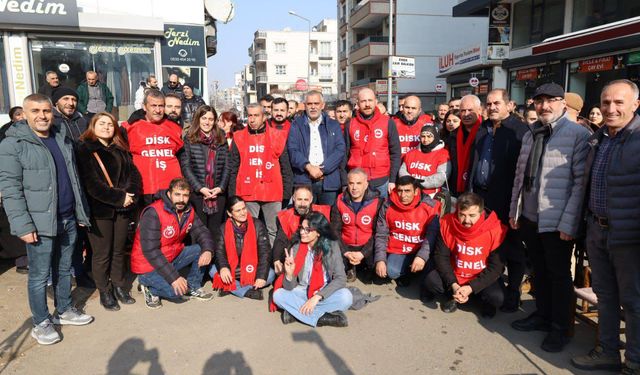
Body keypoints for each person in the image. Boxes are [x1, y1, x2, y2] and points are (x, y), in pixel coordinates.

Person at [0, 94, 93, 345]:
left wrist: (79, 212)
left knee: (64, 269)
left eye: (46, 111)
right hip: (38, 223)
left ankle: (63, 310)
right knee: (39, 276)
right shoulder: (13, 144)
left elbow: (73, 179)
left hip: (67, 217)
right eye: (35, 111)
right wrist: (23, 225)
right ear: (25, 114)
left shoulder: (61, 137)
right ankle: (40, 321)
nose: (42, 116)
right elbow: (10, 188)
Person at [509, 82, 590, 353]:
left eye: (551, 100)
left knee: (558, 276)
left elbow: (580, 185)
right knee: (539, 272)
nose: (544, 106)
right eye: (539, 101)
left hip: (557, 220)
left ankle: (561, 327)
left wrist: (570, 223)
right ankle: (543, 316)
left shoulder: (577, 135)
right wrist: (515, 211)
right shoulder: (532, 133)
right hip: (531, 216)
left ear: (562, 104)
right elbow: (520, 177)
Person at [571, 80, 640, 373]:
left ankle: (635, 361)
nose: (611, 109)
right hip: (596, 229)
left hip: (630, 236)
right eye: (606, 102)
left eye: (619, 103)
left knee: (634, 302)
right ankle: (608, 351)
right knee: (605, 295)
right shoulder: (599, 138)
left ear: (635, 105)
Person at [469, 89, 528, 312]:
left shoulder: (520, 131)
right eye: (489, 103)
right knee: (486, 247)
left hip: (507, 199)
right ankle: (487, 288)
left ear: (509, 105)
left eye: (497, 103)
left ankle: (513, 292)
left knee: (512, 249)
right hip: (482, 197)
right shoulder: (483, 129)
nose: (492, 107)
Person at [76, 112, 141, 311]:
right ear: (93, 126)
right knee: (102, 253)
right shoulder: (85, 149)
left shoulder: (120, 149)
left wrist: (130, 195)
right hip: (100, 211)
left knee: (119, 250)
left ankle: (120, 285)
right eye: (101, 123)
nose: (106, 127)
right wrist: (119, 197)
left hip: (122, 210)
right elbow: (91, 184)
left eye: (110, 124)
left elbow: (134, 175)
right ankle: (105, 289)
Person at [131, 178, 214, 309]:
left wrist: (208, 250)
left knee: (201, 249)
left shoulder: (188, 210)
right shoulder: (153, 212)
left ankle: (194, 287)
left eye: (185, 195)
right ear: (169, 194)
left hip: (170, 255)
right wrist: (174, 277)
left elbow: (202, 231)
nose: (181, 199)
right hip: (148, 264)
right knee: (176, 293)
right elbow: (151, 251)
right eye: (177, 194)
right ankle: (147, 285)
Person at [424, 192, 507, 318]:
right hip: (455, 274)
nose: (466, 220)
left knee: (497, 297)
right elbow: (441, 257)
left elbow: (496, 267)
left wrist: (471, 287)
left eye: (472, 215)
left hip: (480, 276)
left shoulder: (495, 229)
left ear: (481, 213)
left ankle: (479, 300)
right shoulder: (447, 224)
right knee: (431, 281)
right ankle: (456, 293)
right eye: (462, 215)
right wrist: (453, 284)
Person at [272, 212, 353, 327]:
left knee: (346, 297)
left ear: (318, 232)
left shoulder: (331, 246)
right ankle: (324, 319)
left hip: (323, 292)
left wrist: (316, 297)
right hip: (302, 291)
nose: (302, 232)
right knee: (278, 295)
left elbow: (341, 278)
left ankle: (295, 314)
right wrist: (289, 275)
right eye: (301, 228)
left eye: (307, 230)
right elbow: (289, 287)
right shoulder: (296, 247)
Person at [228, 103, 292, 245]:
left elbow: (285, 167)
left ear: (264, 117)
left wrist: (286, 193)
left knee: (272, 229)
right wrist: (232, 194)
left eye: (256, 115)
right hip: (247, 191)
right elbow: (233, 167)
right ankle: (250, 261)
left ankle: (272, 261)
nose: (252, 119)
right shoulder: (238, 137)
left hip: (273, 191)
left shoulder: (278, 136)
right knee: (248, 229)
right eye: (250, 115)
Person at [122, 90, 184, 206]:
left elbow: (181, 155)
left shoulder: (174, 127)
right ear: (144, 107)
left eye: (161, 106)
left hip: (169, 188)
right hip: (142, 188)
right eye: (153, 106)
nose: (158, 110)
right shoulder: (130, 127)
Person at [374, 176, 440, 284]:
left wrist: (422, 257)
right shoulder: (387, 206)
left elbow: (431, 237)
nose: (403, 195)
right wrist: (380, 259)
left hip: (423, 248)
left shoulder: (429, 207)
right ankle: (406, 271)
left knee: (431, 277)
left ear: (416, 191)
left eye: (407, 191)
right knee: (392, 271)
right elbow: (381, 234)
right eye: (400, 191)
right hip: (399, 248)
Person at [211, 196, 275, 300]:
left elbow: (265, 252)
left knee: (270, 275)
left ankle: (230, 287)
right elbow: (219, 252)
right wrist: (223, 268)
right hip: (232, 269)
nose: (243, 213)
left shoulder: (258, 225)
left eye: (244, 208)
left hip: (252, 269)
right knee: (213, 270)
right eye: (238, 210)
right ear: (229, 213)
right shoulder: (223, 228)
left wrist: (261, 276)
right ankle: (248, 291)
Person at [288, 91, 346, 206]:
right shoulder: (296, 125)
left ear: (322, 105)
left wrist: (322, 170)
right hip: (304, 180)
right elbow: (293, 150)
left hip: (328, 181)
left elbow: (340, 149)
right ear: (304, 105)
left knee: (327, 218)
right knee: (304, 219)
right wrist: (309, 167)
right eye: (309, 104)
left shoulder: (333, 125)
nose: (313, 107)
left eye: (316, 103)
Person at [179, 105, 229, 237]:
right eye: (204, 118)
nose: (207, 122)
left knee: (216, 232)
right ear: (198, 119)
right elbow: (186, 167)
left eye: (211, 119)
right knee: (199, 233)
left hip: (217, 193)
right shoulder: (189, 138)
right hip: (198, 194)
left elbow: (227, 166)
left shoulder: (221, 138)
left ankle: (214, 258)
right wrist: (200, 188)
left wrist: (221, 187)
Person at [345, 88, 401, 198]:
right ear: (357, 104)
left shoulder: (388, 122)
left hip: (381, 181)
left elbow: (395, 153)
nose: (367, 104)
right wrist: (344, 181)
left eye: (370, 100)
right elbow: (345, 155)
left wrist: (393, 180)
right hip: (357, 182)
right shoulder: (350, 124)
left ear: (376, 102)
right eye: (363, 101)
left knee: (380, 214)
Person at [331, 168, 382, 282]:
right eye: (351, 183)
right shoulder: (339, 200)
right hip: (346, 244)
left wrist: (363, 253)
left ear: (366, 184)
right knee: (335, 268)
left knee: (376, 270)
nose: (354, 188)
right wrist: (345, 252)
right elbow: (335, 231)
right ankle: (350, 267)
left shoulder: (377, 202)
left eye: (359, 183)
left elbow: (378, 233)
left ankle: (365, 267)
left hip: (367, 245)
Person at [272, 186, 331, 275]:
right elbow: (280, 240)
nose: (302, 204)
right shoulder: (286, 216)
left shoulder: (323, 212)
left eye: (306, 200)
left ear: (311, 200)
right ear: (293, 199)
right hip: (296, 255)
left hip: (318, 254)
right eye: (299, 199)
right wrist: (276, 260)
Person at [446, 95, 483, 196]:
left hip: (478, 190)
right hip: (455, 188)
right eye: (463, 111)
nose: (466, 114)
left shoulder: (486, 133)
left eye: (470, 110)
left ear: (479, 110)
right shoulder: (453, 135)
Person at [399, 125, 450, 198]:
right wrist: (411, 183)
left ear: (435, 137)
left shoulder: (443, 154)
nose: (425, 139)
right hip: (410, 193)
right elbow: (402, 170)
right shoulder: (411, 153)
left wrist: (421, 183)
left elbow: (441, 177)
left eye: (429, 136)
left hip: (430, 195)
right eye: (423, 136)